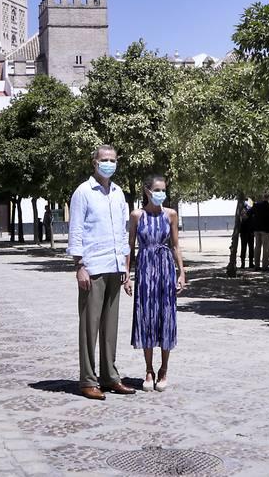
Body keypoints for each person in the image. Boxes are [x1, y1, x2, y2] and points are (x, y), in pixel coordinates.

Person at [67, 145, 135, 399]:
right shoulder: (83, 192)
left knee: (110, 328)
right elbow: (75, 231)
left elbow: (122, 232)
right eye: (104, 159)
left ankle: (110, 377)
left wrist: (125, 267)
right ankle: (87, 380)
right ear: (94, 162)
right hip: (92, 267)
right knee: (89, 327)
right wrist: (79, 266)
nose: (109, 163)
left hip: (114, 267)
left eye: (113, 160)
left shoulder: (118, 194)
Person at [127, 175, 187, 391]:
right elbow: (130, 246)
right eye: (157, 189)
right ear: (147, 191)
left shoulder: (170, 214)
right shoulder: (136, 215)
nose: (161, 193)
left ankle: (164, 369)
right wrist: (127, 274)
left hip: (164, 269)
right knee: (146, 316)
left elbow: (175, 245)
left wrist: (181, 272)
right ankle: (149, 369)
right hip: (144, 269)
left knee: (165, 316)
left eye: (164, 189)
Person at [248, 195, 269, 270]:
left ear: (262, 198)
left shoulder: (256, 206)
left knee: (257, 247)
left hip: (257, 229)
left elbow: (248, 213)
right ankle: (265, 266)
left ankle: (256, 266)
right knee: (266, 248)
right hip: (266, 230)